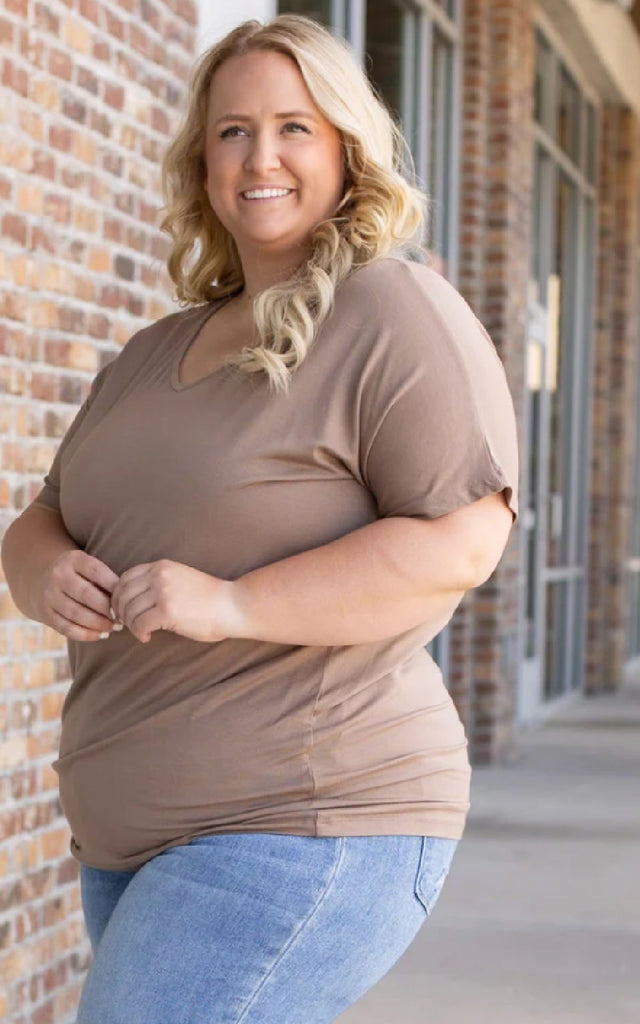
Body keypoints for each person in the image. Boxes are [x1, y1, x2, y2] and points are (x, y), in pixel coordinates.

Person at [1, 13, 519, 1024]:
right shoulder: (156, 350)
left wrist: (230, 602)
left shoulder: (389, 310)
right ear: (203, 160)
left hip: (308, 819)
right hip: (133, 844)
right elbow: (44, 517)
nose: (260, 156)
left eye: (294, 126)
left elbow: (465, 537)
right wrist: (44, 567)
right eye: (232, 130)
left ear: (345, 150)